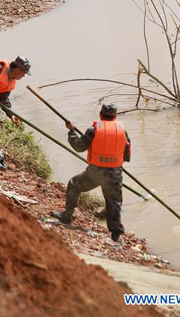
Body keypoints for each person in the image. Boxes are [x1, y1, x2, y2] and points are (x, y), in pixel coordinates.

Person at [50, 103, 132, 242]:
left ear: (100, 115)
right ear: (115, 116)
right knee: (114, 203)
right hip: (115, 173)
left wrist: (71, 131)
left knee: (74, 184)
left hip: (95, 172)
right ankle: (116, 235)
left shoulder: (93, 130)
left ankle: (67, 216)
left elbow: (78, 146)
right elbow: (127, 155)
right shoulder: (122, 131)